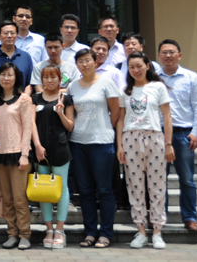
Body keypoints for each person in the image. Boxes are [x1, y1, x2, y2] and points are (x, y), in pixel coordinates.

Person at [117, 52, 175, 250]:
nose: (136, 70)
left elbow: (167, 117)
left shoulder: (158, 87)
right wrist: (120, 145)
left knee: (157, 186)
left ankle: (157, 231)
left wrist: (168, 143)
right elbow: (121, 119)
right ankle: (141, 231)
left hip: (154, 138)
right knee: (135, 186)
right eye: (132, 67)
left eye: (139, 66)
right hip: (130, 138)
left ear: (147, 66)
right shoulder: (125, 91)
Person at [67, 49, 120, 248]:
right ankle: (90, 233)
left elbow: (115, 112)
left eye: (87, 60)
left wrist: (103, 128)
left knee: (104, 190)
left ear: (95, 62)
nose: (84, 64)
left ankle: (105, 234)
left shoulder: (106, 82)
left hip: (101, 142)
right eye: (80, 61)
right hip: (78, 143)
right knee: (85, 191)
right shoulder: (72, 86)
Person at [157, 39, 197, 232]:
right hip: (158, 133)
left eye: (172, 52)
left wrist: (196, 132)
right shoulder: (154, 77)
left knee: (187, 179)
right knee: (159, 179)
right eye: (164, 52)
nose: (168, 55)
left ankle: (189, 217)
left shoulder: (191, 77)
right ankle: (160, 217)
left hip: (183, 134)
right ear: (159, 56)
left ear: (179, 55)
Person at [31, 65, 75, 250]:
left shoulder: (66, 98)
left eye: (53, 77)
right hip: (40, 151)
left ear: (59, 79)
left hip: (60, 149)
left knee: (62, 190)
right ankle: (49, 229)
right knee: (44, 190)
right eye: (46, 77)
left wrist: (60, 113)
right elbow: (32, 123)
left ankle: (60, 229)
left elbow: (70, 126)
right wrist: (37, 146)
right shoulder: (35, 98)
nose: (49, 80)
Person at [0, 62, 33, 250]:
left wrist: (25, 154)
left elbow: (28, 128)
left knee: (19, 199)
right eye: (3, 74)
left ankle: (25, 234)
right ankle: (12, 233)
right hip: (0, 155)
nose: (6, 78)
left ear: (16, 77)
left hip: (18, 155)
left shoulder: (23, 99)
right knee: (7, 199)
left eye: (10, 74)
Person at [0, 20, 33, 92]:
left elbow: (30, 82)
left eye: (12, 33)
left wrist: (25, 96)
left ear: (17, 36)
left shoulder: (25, 57)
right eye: (5, 33)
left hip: (21, 97)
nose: (9, 36)